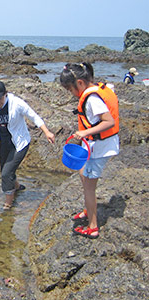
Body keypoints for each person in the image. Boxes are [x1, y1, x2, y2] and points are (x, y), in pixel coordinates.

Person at [60, 63, 119, 239]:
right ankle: (88, 209)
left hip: (100, 148)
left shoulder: (92, 99)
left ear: (80, 83)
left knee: (88, 187)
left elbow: (109, 122)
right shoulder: (99, 88)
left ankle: (92, 226)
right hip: (97, 146)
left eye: (70, 89)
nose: (71, 93)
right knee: (83, 175)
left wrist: (84, 132)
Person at [0, 80, 55, 210]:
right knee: (5, 171)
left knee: (6, 174)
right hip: (4, 142)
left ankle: (8, 204)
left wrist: (46, 132)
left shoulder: (16, 103)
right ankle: (17, 187)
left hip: (20, 143)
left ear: (5, 94)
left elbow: (33, 116)